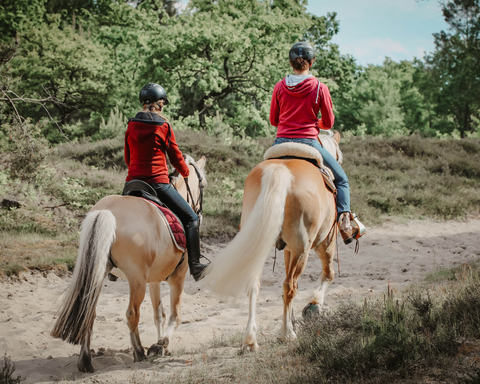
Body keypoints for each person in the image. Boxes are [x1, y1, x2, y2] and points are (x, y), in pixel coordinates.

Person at [269, 42, 366, 244]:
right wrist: (316, 123)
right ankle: (345, 226)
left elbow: (273, 120)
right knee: (342, 180)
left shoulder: (279, 86)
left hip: (280, 142)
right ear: (312, 62)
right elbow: (329, 123)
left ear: (290, 62)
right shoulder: (320, 88)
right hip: (309, 142)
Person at [124, 83, 208, 281]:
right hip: (157, 184)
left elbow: (128, 158)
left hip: (132, 183)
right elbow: (176, 158)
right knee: (191, 219)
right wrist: (186, 172)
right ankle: (195, 266)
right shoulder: (163, 126)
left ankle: (112, 267)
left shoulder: (131, 124)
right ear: (160, 104)